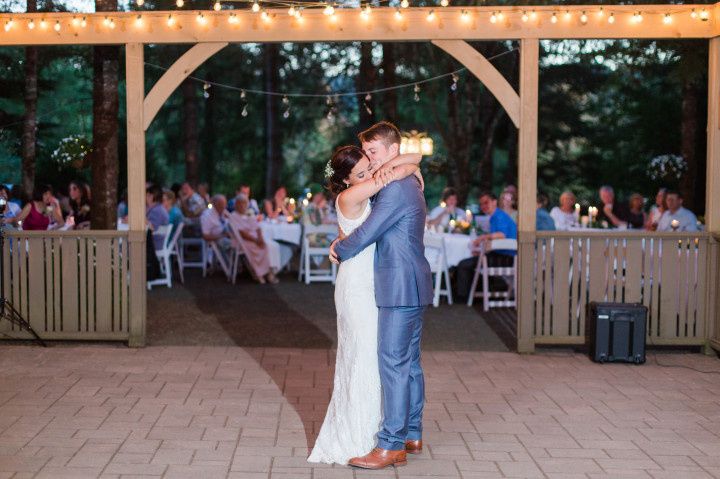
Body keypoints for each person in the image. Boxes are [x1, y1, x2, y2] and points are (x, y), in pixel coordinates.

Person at [318, 121, 431, 469]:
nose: (368, 159)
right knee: (408, 362)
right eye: (365, 153)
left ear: (391, 151)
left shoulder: (396, 188)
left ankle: (391, 445)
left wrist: (339, 246)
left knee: (394, 363)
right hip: (410, 281)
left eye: (373, 152)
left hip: (398, 284)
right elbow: (411, 160)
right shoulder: (405, 179)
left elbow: (368, 232)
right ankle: (412, 432)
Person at [455, 191, 517, 301]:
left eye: (486, 203)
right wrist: (481, 251)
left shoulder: (499, 216)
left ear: (494, 202)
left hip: (507, 258)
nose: (483, 206)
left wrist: (482, 238)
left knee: (464, 264)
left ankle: (462, 299)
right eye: (481, 204)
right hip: (502, 255)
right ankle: (471, 296)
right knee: (471, 261)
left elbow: (501, 235)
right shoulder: (495, 216)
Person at [228, 194, 279, 284]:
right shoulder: (233, 216)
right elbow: (242, 233)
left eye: (245, 203)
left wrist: (260, 238)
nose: (243, 206)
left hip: (254, 237)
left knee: (271, 245)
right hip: (242, 241)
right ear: (236, 204)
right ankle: (261, 273)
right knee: (263, 247)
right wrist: (256, 240)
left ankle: (269, 271)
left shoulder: (248, 214)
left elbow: (257, 227)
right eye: (241, 203)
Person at [201, 194, 233, 266]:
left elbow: (232, 221)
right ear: (215, 204)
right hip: (217, 238)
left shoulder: (223, 211)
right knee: (237, 245)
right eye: (222, 204)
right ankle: (235, 267)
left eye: (225, 204)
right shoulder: (207, 216)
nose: (225, 206)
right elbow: (205, 236)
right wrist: (222, 235)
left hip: (227, 235)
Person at [146, 185, 169, 250]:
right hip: (156, 242)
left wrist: (141, 219)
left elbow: (152, 227)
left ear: (152, 196)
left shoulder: (156, 210)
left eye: (147, 195)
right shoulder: (158, 208)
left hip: (154, 244)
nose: (145, 198)